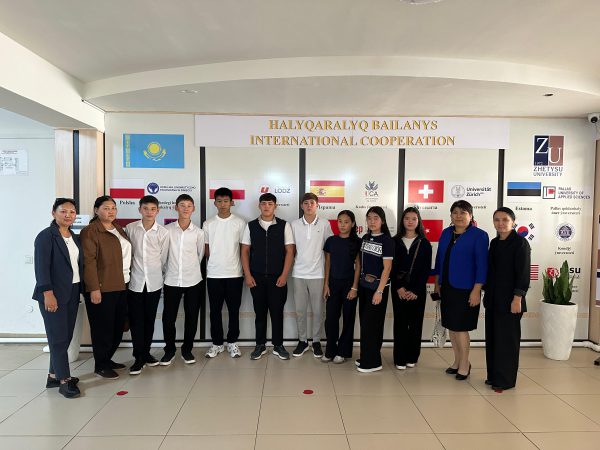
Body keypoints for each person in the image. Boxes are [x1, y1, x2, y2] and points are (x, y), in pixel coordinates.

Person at [32, 198, 83, 398]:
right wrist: (48, 294)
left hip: (72, 291)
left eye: (72, 212)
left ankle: (53, 375)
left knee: (65, 337)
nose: (68, 215)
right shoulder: (46, 236)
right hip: (53, 294)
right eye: (63, 211)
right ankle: (64, 381)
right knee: (58, 338)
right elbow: (41, 268)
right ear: (53, 212)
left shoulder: (73, 236)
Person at [433, 200, 489, 380]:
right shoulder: (446, 233)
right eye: (455, 212)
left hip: (467, 289)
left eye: (463, 212)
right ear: (450, 215)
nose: (458, 216)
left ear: (471, 216)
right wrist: (437, 282)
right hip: (447, 287)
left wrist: (477, 290)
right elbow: (440, 260)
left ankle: (465, 364)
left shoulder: (479, 235)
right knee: (451, 326)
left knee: (461, 328)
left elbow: (482, 265)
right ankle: (457, 361)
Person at [81, 195, 131, 380]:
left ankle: (107, 359)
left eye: (113, 208)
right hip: (103, 287)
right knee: (102, 328)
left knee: (118, 326)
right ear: (96, 210)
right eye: (106, 208)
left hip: (122, 284)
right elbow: (89, 262)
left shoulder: (118, 228)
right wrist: (94, 288)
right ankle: (100, 365)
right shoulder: (90, 231)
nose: (111, 211)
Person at [241, 192, 295, 360]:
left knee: (277, 312)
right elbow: (244, 251)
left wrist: (284, 275)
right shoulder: (251, 226)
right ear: (259, 206)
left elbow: (290, 251)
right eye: (264, 203)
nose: (266, 206)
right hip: (256, 277)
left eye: (270, 204)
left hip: (277, 277)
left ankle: (278, 345)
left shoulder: (284, 225)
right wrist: (247, 274)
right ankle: (260, 345)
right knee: (260, 313)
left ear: (275, 206)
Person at [485, 207, 530, 391]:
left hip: (511, 301)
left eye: (505, 220)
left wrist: (517, 297)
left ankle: (505, 380)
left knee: (507, 342)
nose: (501, 223)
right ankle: (493, 376)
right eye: (497, 220)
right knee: (493, 339)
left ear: (513, 222)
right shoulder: (494, 242)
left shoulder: (520, 243)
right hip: (493, 299)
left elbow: (523, 273)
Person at [125, 195, 169, 375]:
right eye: (145, 208)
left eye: (153, 209)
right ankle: (138, 357)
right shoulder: (130, 228)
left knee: (149, 320)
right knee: (136, 320)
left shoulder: (163, 232)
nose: (149, 212)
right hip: (135, 281)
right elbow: (128, 254)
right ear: (140, 209)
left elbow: (163, 258)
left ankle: (146, 353)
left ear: (158, 210)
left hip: (154, 282)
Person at [161, 194, 205, 365]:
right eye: (182, 205)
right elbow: (163, 256)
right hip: (172, 280)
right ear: (176, 207)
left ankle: (187, 350)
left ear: (193, 209)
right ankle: (169, 350)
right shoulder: (167, 230)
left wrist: (190, 270)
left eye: (189, 206)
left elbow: (200, 255)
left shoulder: (199, 232)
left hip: (193, 280)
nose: (186, 208)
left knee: (192, 317)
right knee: (168, 318)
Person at [203, 187, 246, 359]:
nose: (223, 204)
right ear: (215, 203)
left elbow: (243, 249)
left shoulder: (240, 223)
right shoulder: (208, 223)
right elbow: (206, 249)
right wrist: (216, 261)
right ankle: (217, 344)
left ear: (232, 203)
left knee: (234, 310)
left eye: (226, 201)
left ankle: (233, 342)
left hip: (234, 273)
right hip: (214, 274)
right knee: (215, 311)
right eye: (219, 201)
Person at [291, 193, 333, 358]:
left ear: (317, 205)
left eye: (312, 203)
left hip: (318, 274)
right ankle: (302, 341)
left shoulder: (324, 224)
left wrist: (327, 277)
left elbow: (329, 250)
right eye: (306, 203)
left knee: (318, 311)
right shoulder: (294, 224)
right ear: (301, 206)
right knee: (300, 310)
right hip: (299, 273)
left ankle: (316, 341)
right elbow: (291, 249)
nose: (309, 206)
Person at [391, 207, 432, 370]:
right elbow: (390, 267)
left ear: (418, 221)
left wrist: (415, 290)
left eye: (414, 218)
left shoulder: (424, 243)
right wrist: (399, 287)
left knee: (415, 324)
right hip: (398, 290)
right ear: (402, 221)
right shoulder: (394, 242)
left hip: (417, 291)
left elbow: (425, 270)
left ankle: (412, 356)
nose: (410, 221)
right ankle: (399, 358)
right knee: (400, 324)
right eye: (407, 218)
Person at [357, 206, 395, 373]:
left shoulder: (387, 241)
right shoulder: (365, 238)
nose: (372, 221)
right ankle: (366, 355)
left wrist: (379, 291)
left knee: (372, 325)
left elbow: (387, 268)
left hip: (378, 288)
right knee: (365, 324)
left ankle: (373, 362)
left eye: (376, 218)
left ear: (383, 221)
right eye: (369, 218)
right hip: (364, 286)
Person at [322, 210, 361, 364]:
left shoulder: (357, 242)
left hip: (349, 284)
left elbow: (358, 266)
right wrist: (326, 284)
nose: (342, 225)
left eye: (346, 222)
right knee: (331, 319)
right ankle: (330, 350)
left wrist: (354, 287)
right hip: (333, 283)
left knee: (348, 318)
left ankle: (343, 351)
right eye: (340, 221)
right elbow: (327, 263)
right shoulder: (331, 241)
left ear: (352, 224)